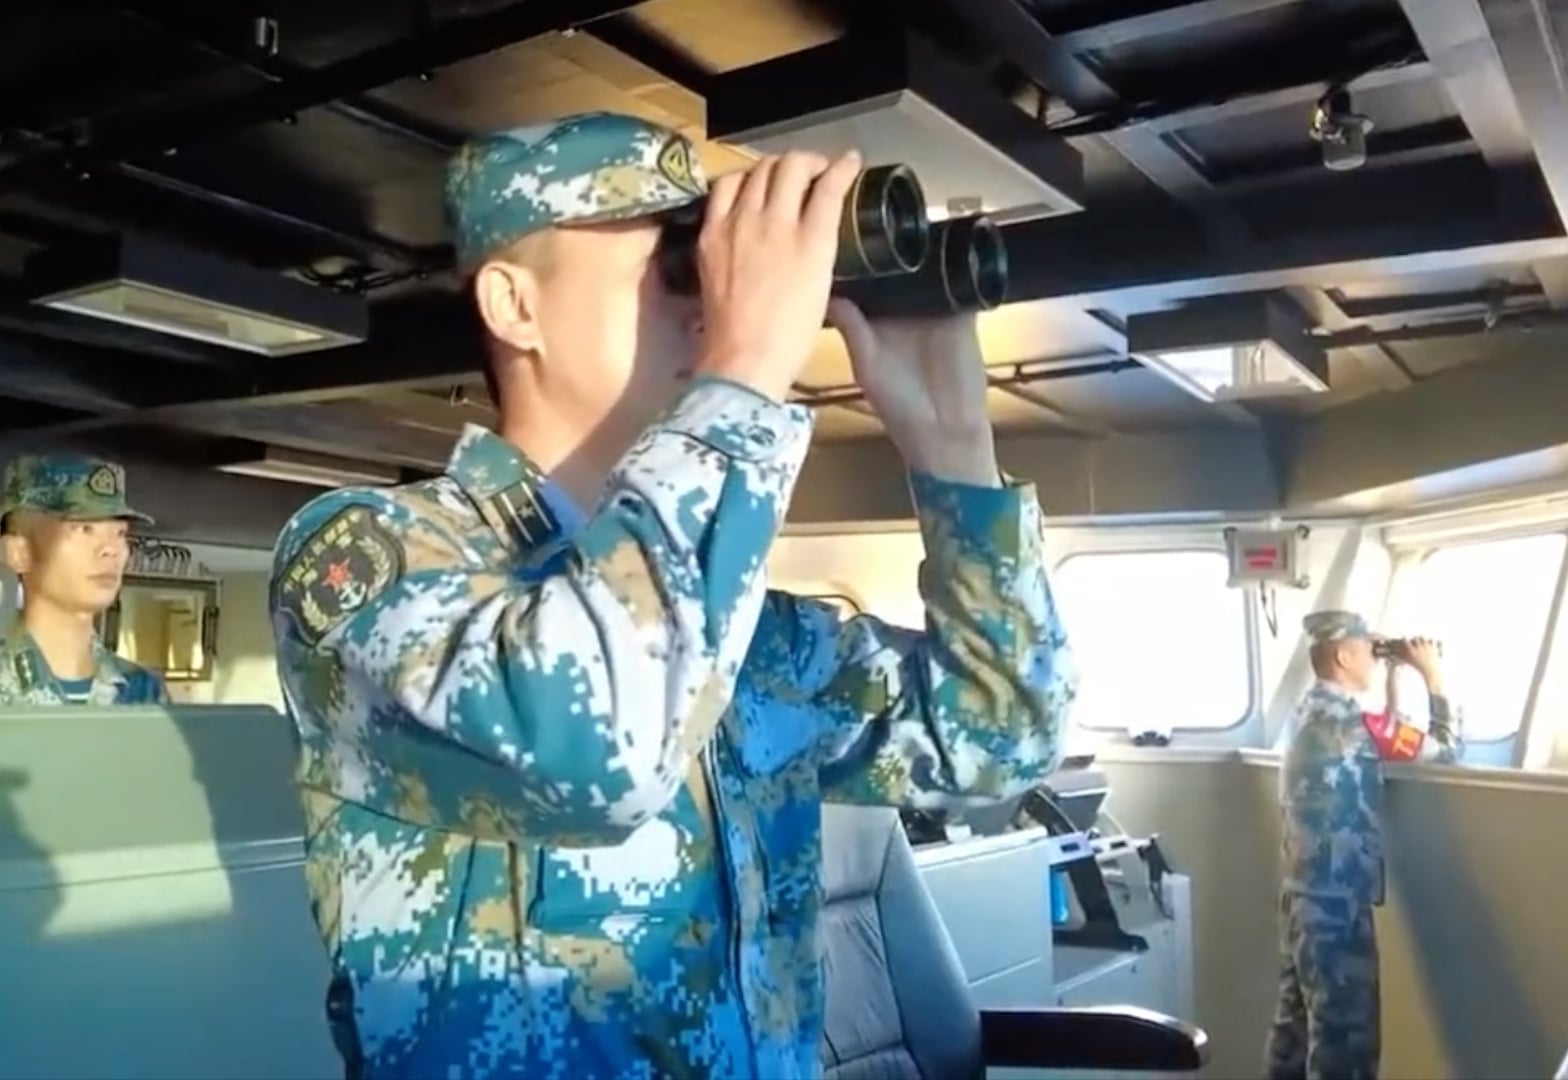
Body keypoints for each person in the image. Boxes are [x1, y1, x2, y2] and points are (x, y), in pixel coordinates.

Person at [268, 111, 1075, 1079]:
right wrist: (745, 369)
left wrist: (954, 450)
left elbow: (999, 738)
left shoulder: (746, 633)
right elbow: (602, 750)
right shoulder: (368, 560)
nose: (708, 306)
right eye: (679, 267)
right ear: (514, 305)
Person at [1265, 609, 1461, 1079]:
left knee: (1293, 1037)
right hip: (1337, 905)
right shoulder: (1361, 724)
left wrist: (1393, 676)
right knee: (1346, 1046)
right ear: (1343, 656)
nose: (1374, 657)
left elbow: (1383, 735)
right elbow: (1446, 750)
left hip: (1299, 898)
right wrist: (1432, 676)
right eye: (1368, 649)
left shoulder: (1305, 711)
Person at [0, 454, 168, 706]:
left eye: (120, 533)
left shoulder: (143, 692)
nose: (111, 549)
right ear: (19, 553)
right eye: (84, 529)